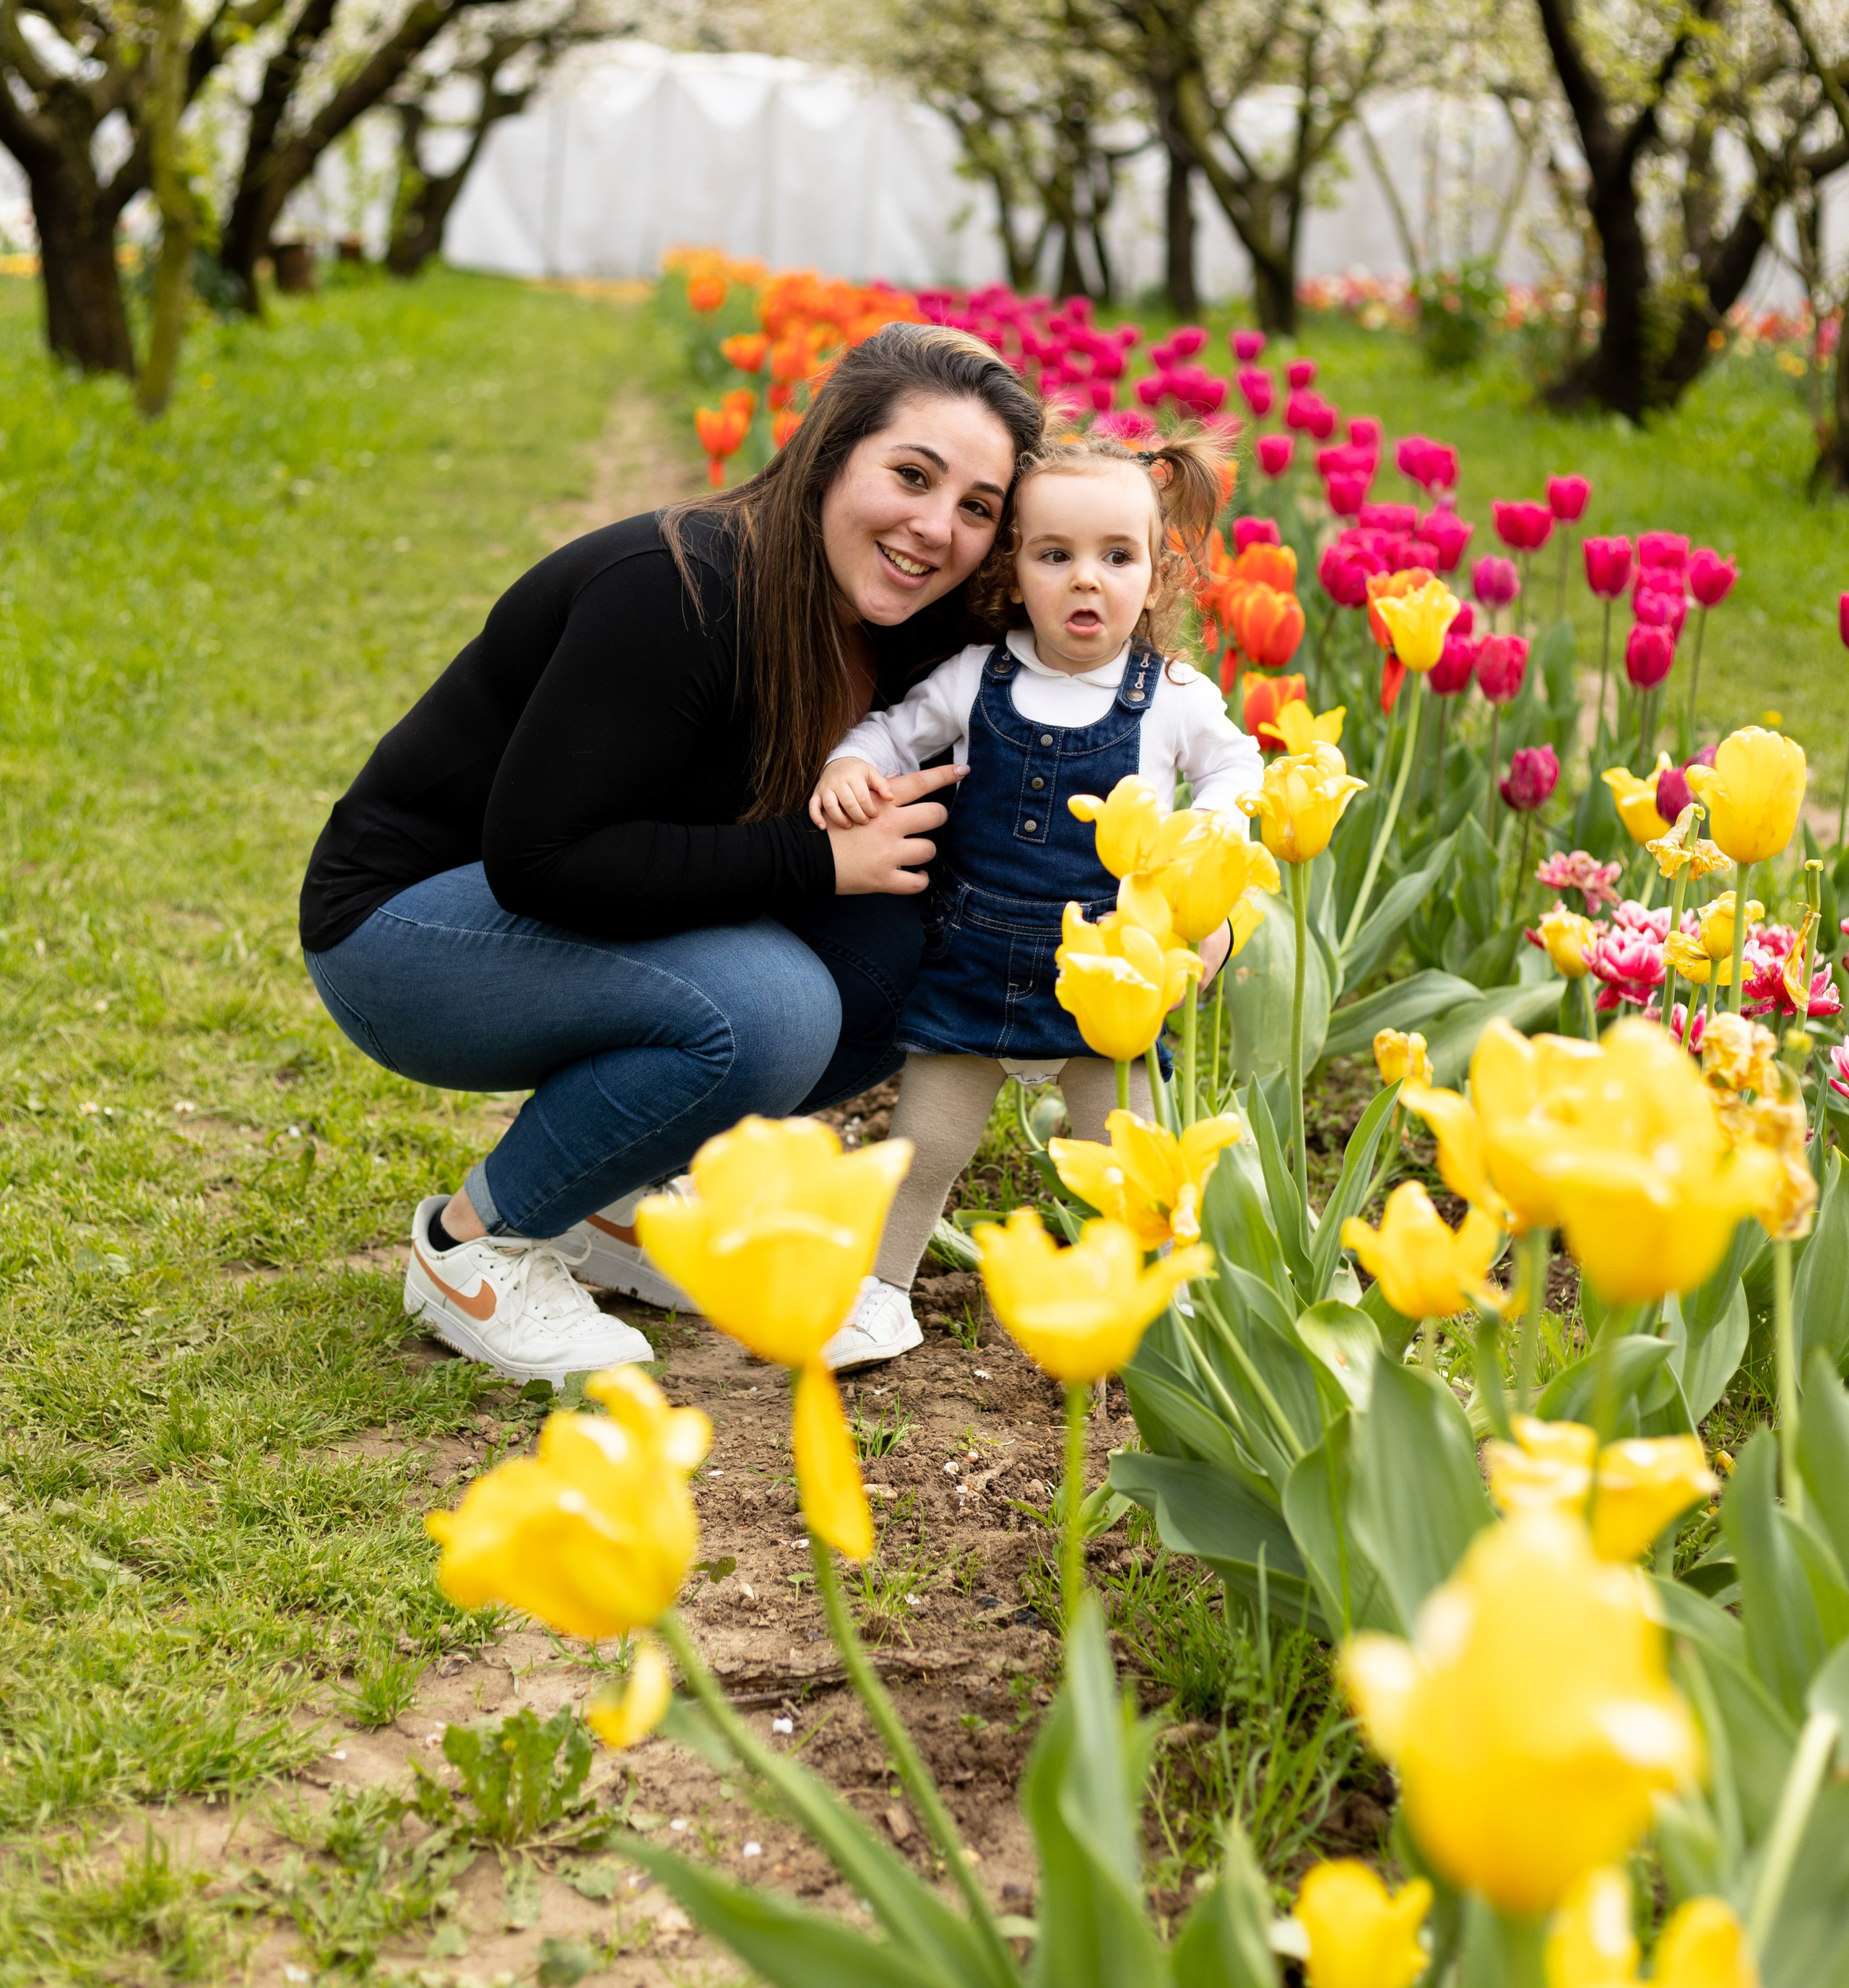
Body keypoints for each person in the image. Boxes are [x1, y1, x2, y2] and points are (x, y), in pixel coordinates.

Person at [298, 324, 1044, 1388]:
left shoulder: (902, 629)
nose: (936, 527)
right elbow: (544, 861)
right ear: (833, 452)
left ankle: (611, 1204)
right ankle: (473, 1249)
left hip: (547, 924)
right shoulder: (678, 588)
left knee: (917, 955)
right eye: (912, 475)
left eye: (977, 508)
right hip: (405, 934)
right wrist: (813, 862)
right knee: (771, 1007)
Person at [807, 432, 1262, 1323]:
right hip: (974, 956)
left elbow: (1237, 771)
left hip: (1109, 970)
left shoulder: (1169, 694)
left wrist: (1203, 855)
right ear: (1013, 574)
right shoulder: (979, 677)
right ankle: (881, 1293)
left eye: (1115, 556)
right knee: (926, 1140)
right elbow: (894, 731)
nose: (1086, 579)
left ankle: (1145, 1298)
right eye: (1056, 555)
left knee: (1124, 1149)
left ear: (1157, 576)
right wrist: (848, 765)